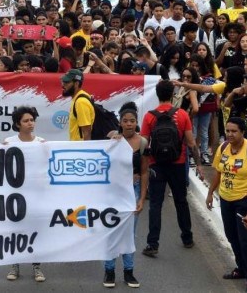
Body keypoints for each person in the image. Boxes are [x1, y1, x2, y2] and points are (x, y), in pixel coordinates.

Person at [141, 80, 202, 258]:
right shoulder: (182, 114)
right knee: (181, 201)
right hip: (177, 163)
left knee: (155, 205)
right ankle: (187, 238)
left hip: (156, 164)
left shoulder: (149, 116)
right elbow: (191, 143)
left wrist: (142, 167)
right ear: (172, 95)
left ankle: (152, 244)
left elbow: (144, 143)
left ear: (158, 95)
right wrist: (198, 164)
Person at [206, 117, 247, 293]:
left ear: (243, 132)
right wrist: (210, 193)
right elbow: (218, 172)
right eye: (227, 130)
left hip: (245, 202)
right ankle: (241, 269)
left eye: (234, 131)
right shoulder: (223, 148)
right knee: (232, 237)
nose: (229, 134)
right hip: (226, 200)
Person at [103, 102, 149, 289]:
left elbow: (145, 171)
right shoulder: (112, 139)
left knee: (129, 233)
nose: (129, 124)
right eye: (125, 121)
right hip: (113, 192)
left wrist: (141, 198)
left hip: (133, 191)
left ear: (136, 122)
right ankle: (109, 270)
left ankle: (129, 272)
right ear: (120, 123)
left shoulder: (143, 143)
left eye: (132, 121)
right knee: (111, 231)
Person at [2, 107, 46, 284]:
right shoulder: (8, 142)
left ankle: (37, 266)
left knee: (35, 231)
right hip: (15, 195)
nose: (31, 123)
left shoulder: (42, 142)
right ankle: (15, 265)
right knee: (15, 230)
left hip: (36, 195)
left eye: (32, 120)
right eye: (26, 121)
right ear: (17, 124)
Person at [61, 69, 94, 141]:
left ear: (76, 84)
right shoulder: (77, 98)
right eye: (63, 81)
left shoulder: (81, 102)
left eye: (67, 82)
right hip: (76, 147)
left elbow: (87, 132)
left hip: (80, 149)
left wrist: (85, 151)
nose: (63, 85)